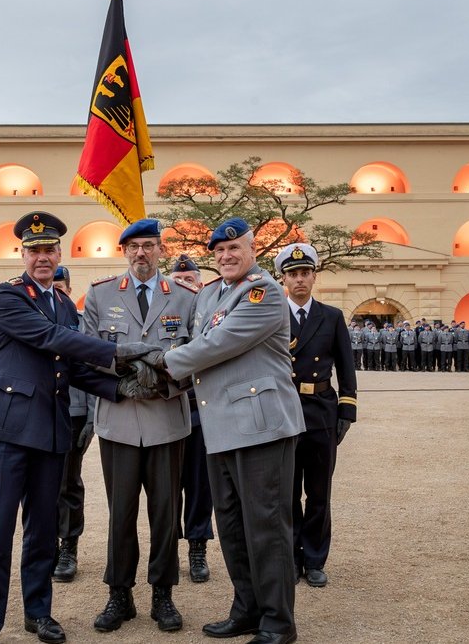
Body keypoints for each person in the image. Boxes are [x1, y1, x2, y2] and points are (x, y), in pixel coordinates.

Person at [0, 211, 157, 644]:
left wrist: (121, 387)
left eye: (49, 250)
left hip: (51, 434)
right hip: (5, 432)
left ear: (59, 255)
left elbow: (74, 369)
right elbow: (50, 339)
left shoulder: (65, 305)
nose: (42, 257)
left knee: (42, 534)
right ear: (23, 254)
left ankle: (38, 613)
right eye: (34, 250)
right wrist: (117, 352)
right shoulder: (8, 296)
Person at [136, 218, 306, 644]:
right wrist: (164, 374)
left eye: (234, 248)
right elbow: (193, 347)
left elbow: (216, 345)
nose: (226, 256)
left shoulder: (264, 291)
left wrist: (158, 362)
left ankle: (278, 622)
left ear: (253, 251)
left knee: (266, 526)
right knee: (230, 526)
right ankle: (247, 610)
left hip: (261, 427)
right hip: (219, 426)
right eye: (219, 251)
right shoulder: (210, 293)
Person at [83, 219, 200, 633]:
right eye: (133, 247)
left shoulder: (186, 296)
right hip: (118, 419)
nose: (141, 254)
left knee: (166, 512)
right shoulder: (100, 294)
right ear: (124, 252)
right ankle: (119, 594)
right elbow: (87, 351)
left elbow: (199, 353)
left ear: (160, 250)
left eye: (149, 246)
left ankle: (163, 594)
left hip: (166, 418)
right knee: (121, 513)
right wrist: (124, 371)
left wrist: (166, 381)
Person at [274, 243, 356, 590]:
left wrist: (346, 410)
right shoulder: (272, 315)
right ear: (283, 279)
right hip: (285, 411)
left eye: (305, 273)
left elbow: (346, 366)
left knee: (319, 492)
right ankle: (292, 558)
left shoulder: (331, 316)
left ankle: (315, 559)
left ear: (314, 277)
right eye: (293, 274)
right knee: (288, 493)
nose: (299, 279)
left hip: (321, 410)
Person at [169, 254, 215, 584]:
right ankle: (168, 546)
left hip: (201, 411)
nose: (185, 285)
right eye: (179, 281)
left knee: (200, 486)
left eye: (190, 280)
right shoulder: (162, 312)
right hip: (169, 410)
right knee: (167, 487)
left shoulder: (211, 313)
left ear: (199, 284)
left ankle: (198, 547)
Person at [51, 265, 96, 584]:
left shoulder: (81, 325)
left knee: (67, 482)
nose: (55, 292)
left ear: (68, 290)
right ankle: (46, 546)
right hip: (39, 412)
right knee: (39, 484)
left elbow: (92, 372)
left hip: (74, 413)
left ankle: (68, 546)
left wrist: (93, 417)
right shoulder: (30, 320)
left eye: (60, 287)